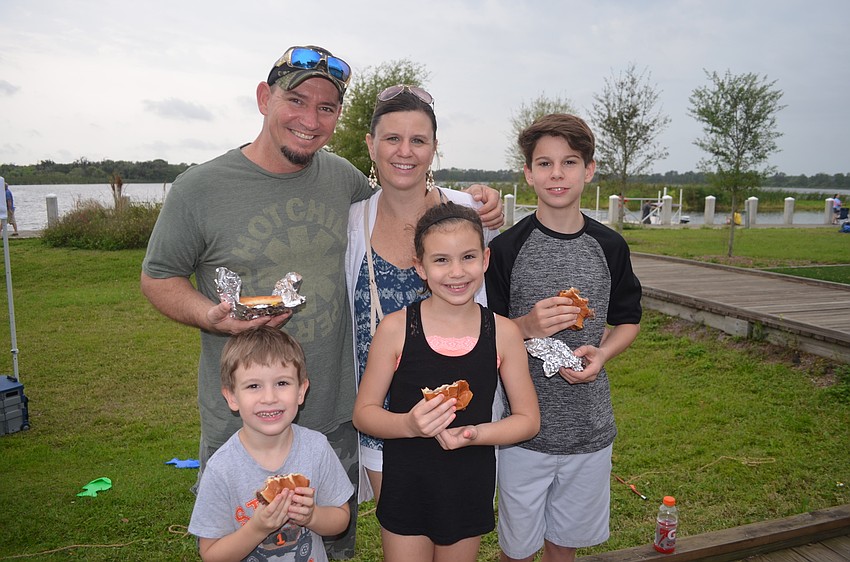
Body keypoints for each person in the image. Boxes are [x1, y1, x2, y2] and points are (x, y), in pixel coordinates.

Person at [140, 44, 502, 559]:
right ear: (265, 98)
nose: (310, 119)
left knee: (331, 544)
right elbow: (158, 277)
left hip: (333, 415)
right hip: (246, 419)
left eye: (326, 107)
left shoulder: (342, 181)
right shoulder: (199, 188)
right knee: (247, 544)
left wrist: (475, 203)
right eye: (296, 100)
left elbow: (405, 195)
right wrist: (211, 316)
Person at [485, 114, 642, 562]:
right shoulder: (508, 248)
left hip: (590, 430)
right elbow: (483, 335)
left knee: (564, 544)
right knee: (516, 549)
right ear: (528, 174)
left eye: (569, 162)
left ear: (589, 170)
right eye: (545, 164)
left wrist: (604, 353)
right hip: (521, 431)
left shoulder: (610, 246)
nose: (557, 174)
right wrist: (526, 327)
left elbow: (628, 319)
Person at [353, 202, 540, 562]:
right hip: (407, 484)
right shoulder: (394, 329)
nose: (457, 272)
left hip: (468, 485)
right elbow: (364, 413)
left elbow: (528, 420)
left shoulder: (503, 332)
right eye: (441, 260)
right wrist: (408, 423)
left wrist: (474, 434)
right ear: (420, 266)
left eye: (468, 257)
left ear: (485, 259)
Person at [345, 85, 499, 505]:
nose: (405, 151)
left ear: (434, 148)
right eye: (392, 138)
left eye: (419, 140)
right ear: (371, 144)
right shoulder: (352, 221)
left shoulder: (470, 211)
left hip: (461, 420)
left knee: (456, 531)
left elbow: (495, 301)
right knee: (403, 529)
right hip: (383, 421)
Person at [189, 325, 354, 562]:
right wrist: (258, 528)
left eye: (282, 383)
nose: (269, 398)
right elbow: (211, 554)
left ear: (301, 391)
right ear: (232, 397)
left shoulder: (316, 448)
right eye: (253, 386)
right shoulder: (222, 469)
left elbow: (341, 519)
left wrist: (312, 516)